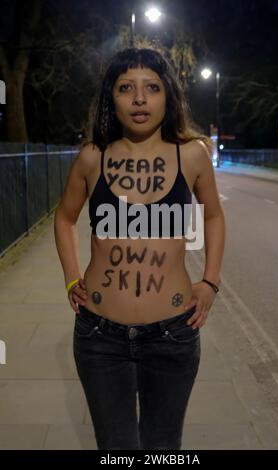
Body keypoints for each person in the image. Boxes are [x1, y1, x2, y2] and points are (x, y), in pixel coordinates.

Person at [54, 47, 226, 450]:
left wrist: (211, 282)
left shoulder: (192, 155)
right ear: (110, 99)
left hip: (173, 335)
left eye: (151, 87)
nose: (139, 98)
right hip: (100, 336)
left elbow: (214, 216)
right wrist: (70, 280)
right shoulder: (92, 157)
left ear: (168, 95)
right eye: (125, 88)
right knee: (116, 448)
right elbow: (64, 219)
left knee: (162, 447)